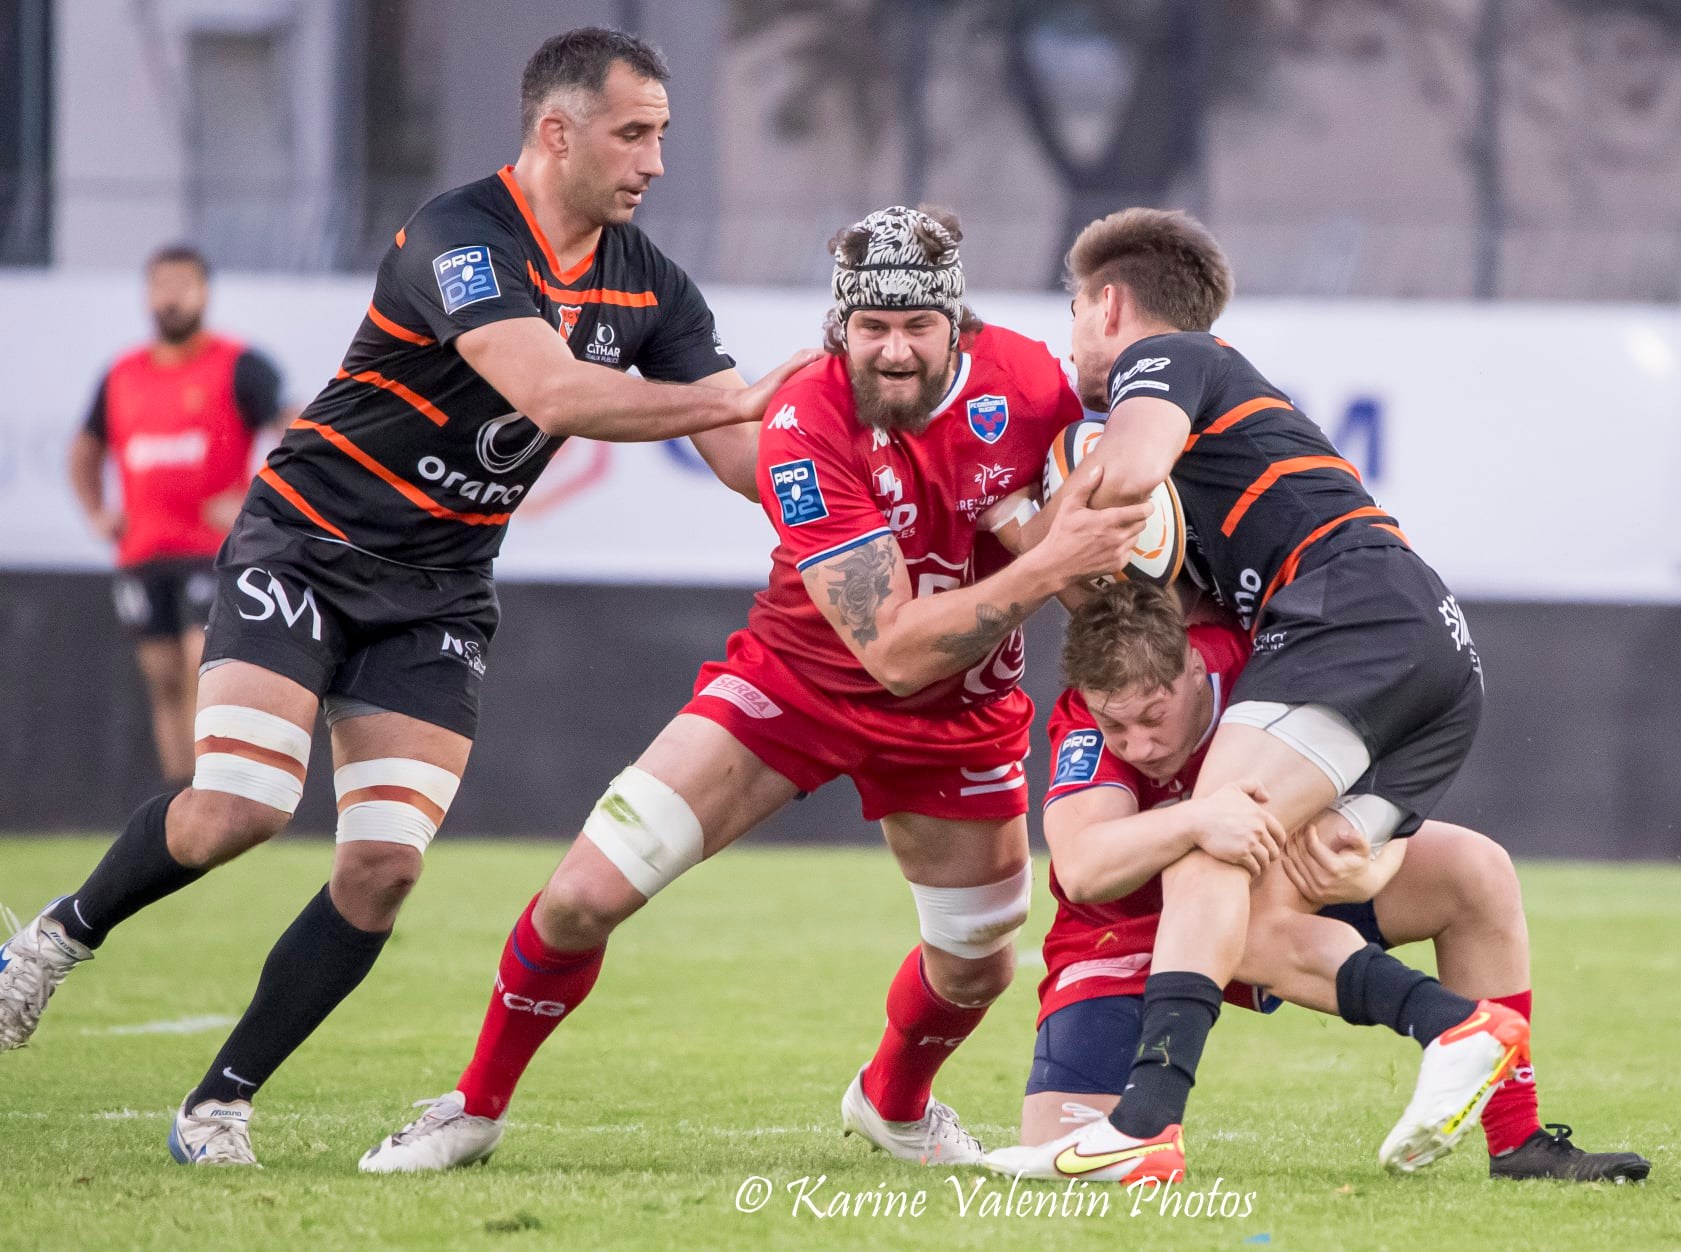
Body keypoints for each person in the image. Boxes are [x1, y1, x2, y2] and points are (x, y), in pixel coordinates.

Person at [0, 27, 814, 1168]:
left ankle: (218, 1103)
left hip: (439, 589)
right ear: (556, 130)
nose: (656, 162)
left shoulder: (648, 280)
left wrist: (833, 500)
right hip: (307, 544)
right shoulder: (460, 235)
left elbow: (739, 451)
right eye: (635, 134)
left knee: (383, 866)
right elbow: (551, 390)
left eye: (664, 136)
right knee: (240, 804)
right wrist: (742, 400)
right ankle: (51, 941)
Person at [353, 204, 1149, 1174]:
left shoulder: (1030, 383)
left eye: (917, 327)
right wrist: (1050, 558)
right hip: (795, 685)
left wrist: (1086, 531)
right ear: (837, 329)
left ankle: (893, 1104)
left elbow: (1090, 515)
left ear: (959, 325)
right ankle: (471, 1107)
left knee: (978, 962)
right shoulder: (804, 416)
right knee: (579, 898)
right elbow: (892, 649)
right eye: (871, 328)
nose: (893, 351)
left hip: (962, 715)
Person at [989, 207, 1521, 1182]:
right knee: (1272, 912)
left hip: (1347, 612)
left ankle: (1146, 1126)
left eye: (1073, 313)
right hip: (1434, 646)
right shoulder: (1220, 458)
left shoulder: (1165, 359)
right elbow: (1147, 552)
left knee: (1208, 838)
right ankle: (1511, 1121)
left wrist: (1028, 533)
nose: (1072, 342)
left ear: (1108, 304)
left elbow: (1131, 470)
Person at [1005, 584, 1651, 1182]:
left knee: (1476, 872)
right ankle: (1454, 1024)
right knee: (1064, 1173)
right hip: (1119, 941)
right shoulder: (1086, 725)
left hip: (1270, 895)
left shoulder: (1255, 667)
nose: (1138, 745)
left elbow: (1384, 766)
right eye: (1117, 727)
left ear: (1193, 668)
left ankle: (1518, 1141)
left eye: (1153, 716)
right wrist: (1199, 816)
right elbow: (1084, 867)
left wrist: (1373, 856)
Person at [67, 245, 288, 787]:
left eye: (181, 284)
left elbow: (296, 430)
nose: (169, 297)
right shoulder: (122, 374)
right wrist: (97, 511)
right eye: (159, 285)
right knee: (163, 676)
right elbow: (84, 449)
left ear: (203, 292)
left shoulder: (239, 364)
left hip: (211, 550)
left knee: (200, 663)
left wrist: (257, 499)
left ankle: (217, 790)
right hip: (144, 551)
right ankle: (180, 796)